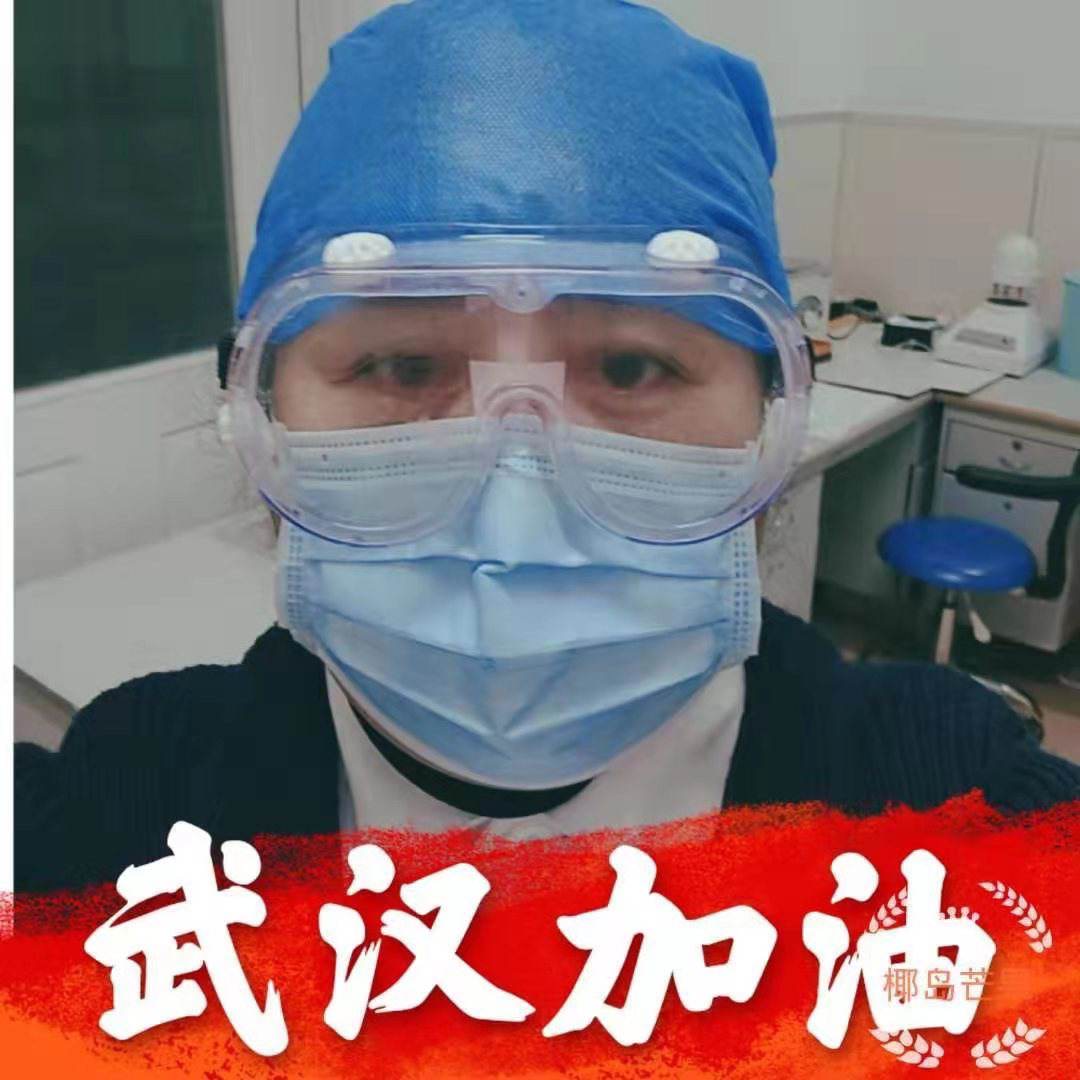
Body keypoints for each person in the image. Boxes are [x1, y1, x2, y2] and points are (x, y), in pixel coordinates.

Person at [15, 0, 1078, 893]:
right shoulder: (131, 802)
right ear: (259, 413)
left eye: (630, 367)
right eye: (403, 366)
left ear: (768, 412)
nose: (512, 503)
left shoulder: (945, 809)